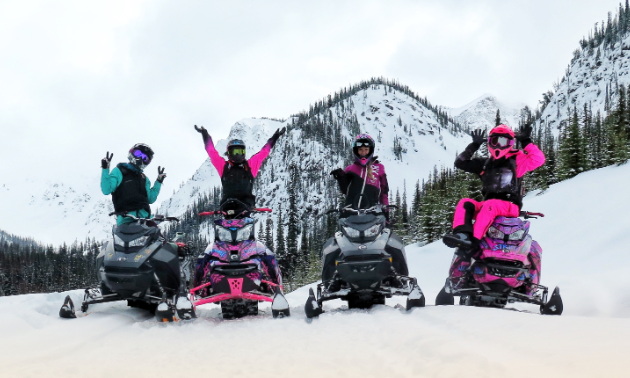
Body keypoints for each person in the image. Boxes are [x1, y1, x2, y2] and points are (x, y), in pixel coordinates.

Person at [442, 123, 545, 250]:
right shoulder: (485, 164)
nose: (498, 145)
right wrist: (474, 145)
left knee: (491, 205)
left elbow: (538, 159)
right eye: (495, 141)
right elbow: (460, 162)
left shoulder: (517, 161)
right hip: (488, 206)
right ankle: (463, 235)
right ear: (490, 142)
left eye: (503, 141)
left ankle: (474, 242)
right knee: (466, 203)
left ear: (510, 143)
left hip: (510, 206)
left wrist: (526, 141)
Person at [194, 125, 285, 210]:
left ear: (244, 152)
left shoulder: (250, 166)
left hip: (246, 206)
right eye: (234, 152)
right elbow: (211, 152)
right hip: (227, 206)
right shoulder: (224, 167)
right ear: (228, 153)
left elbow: (263, 152)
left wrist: (275, 137)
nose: (237, 155)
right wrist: (205, 134)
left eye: (239, 151)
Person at [101, 143, 166, 224]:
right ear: (132, 153)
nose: (140, 159)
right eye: (138, 154)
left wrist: (158, 182)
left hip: (145, 221)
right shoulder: (119, 171)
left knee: (157, 234)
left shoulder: (144, 178)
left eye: (145, 158)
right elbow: (106, 189)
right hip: (126, 220)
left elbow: (150, 199)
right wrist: (105, 168)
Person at [330, 134, 389, 215]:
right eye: (360, 149)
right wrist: (341, 177)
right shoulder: (350, 169)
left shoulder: (379, 168)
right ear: (356, 150)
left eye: (366, 149)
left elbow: (384, 192)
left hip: (372, 215)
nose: (363, 152)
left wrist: (386, 212)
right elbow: (345, 190)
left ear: (370, 150)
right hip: (351, 214)